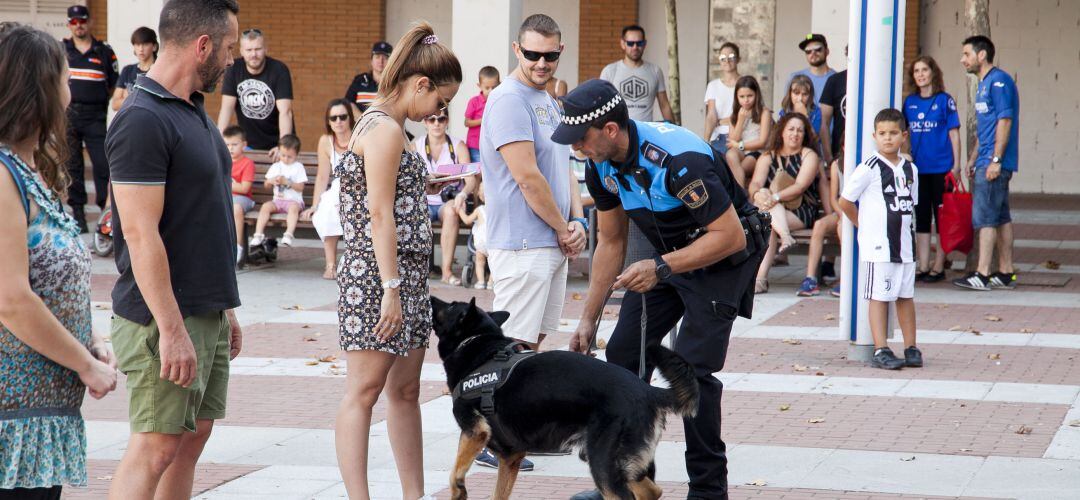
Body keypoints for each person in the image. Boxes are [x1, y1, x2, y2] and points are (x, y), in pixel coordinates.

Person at [558, 79, 768, 500]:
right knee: (621, 355)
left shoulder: (678, 160)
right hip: (669, 256)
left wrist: (661, 267)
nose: (577, 148)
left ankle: (709, 490)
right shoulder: (600, 165)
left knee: (690, 371)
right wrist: (588, 318)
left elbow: (730, 237)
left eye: (581, 138)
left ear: (611, 130)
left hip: (724, 256)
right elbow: (613, 242)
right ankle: (635, 482)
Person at [103, 1, 243, 499]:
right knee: (156, 446)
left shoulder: (192, 110)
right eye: (228, 48)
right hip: (160, 318)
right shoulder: (142, 118)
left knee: (191, 438)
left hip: (202, 308)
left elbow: (203, 217)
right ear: (202, 45)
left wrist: (222, 308)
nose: (233, 59)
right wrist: (171, 329)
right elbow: (141, 235)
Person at [333, 22, 460, 500]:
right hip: (377, 277)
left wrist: (420, 187)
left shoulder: (389, 126)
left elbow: (388, 197)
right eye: (439, 102)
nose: (438, 112)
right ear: (420, 84)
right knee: (364, 392)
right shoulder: (384, 128)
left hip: (401, 273)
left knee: (405, 393)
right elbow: (378, 214)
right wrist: (389, 290)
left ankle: (414, 494)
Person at [0, 22, 118, 500]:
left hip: (40, 418)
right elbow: (11, 298)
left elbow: (49, 283)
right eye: (64, 81)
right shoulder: (3, 175)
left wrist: (86, 339)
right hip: (12, 417)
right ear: (36, 91)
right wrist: (85, 367)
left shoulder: (28, 170)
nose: (71, 95)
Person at [476, 13, 587, 470]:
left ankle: (509, 434)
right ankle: (489, 439)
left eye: (551, 54)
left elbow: (563, 169)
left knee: (534, 342)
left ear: (560, 51)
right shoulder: (507, 102)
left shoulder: (550, 101)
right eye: (534, 54)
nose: (542, 63)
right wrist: (564, 227)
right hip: (524, 242)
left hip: (553, 240)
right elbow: (526, 176)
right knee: (512, 345)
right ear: (517, 51)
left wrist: (579, 221)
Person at [837, 108, 922, 370]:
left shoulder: (910, 168)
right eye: (882, 133)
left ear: (904, 136)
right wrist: (864, 225)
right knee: (880, 296)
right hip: (879, 247)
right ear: (874, 136)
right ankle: (880, 348)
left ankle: (911, 346)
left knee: (905, 296)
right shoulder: (869, 168)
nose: (888, 138)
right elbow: (845, 201)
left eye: (894, 133)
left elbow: (912, 204)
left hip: (905, 246)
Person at [954, 35, 1019, 291]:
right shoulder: (983, 84)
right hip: (984, 160)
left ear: (981, 55)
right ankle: (1005, 272)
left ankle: (981, 274)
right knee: (1001, 217)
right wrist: (972, 158)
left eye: (966, 54)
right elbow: (987, 127)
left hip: (994, 164)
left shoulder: (999, 81)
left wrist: (995, 160)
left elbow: (1005, 121)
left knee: (985, 219)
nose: (962, 59)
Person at [748, 112, 823, 293]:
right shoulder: (768, 156)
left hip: (801, 209)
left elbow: (799, 186)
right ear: (782, 131)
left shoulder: (809, 155)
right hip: (773, 210)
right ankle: (785, 236)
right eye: (791, 129)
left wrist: (773, 198)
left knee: (767, 218)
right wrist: (758, 194)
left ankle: (760, 279)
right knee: (765, 205)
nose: (795, 134)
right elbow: (755, 183)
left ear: (804, 135)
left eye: (800, 130)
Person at [904, 55, 961, 283]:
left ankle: (939, 265)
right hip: (919, 170)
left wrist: (956, 165)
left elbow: (954, 133)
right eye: (916, 71)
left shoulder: (944, 100)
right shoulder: (909, 102)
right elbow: (905, 134)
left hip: (942, 169)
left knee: (942, 217)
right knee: (922, 217)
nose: (920, 74)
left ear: (933, 73)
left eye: (924, 70)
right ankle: (923, 265)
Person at [63, 4, 119, 234]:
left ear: (89, 22)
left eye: (82, 21)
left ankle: (106, 215)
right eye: (74, 22)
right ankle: (78, 215)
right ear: (69, 25)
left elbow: (114, 83)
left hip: (96, 115)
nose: (79, 26)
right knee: (72, 166)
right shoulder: (61, 50)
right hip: (68, 115)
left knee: (103, 165)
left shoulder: (103, 51)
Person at [415, 108, 475, 286]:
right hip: (423, 201)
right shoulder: (416, 145)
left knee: (451, 212)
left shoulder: (458, 145)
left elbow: (471, 179)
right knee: (414, 213)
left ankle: (446, 271)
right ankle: (417, 271)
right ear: (425, 122)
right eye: (431, 119)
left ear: (447, 121)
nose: (436, 124)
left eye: (441, 119)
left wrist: (462, 195)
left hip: (447, 201)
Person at [217, 28, 294, 157]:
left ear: (265, 49)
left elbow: (285, 111)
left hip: (277, 143)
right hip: (248, 146)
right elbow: (226, 109)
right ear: (241, 51)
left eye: (258, 49)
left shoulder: (279, 70)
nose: (253, 54)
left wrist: (283, 145)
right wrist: (218, 142)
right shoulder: (234, 69)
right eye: (249, 50)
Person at [304, 99, 355, 280]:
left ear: (350, 117)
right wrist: (314, 204)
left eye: (343, 116)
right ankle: (331, 265)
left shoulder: (360, 137)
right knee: (327, 211)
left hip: (359, 187)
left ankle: (352, 264)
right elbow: (323, 176)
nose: (338, 121)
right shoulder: (325, 141)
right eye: (334, 118)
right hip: (338, 188)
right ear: (328, 121)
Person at [797, 141, 845, 297]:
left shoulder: (867, 163)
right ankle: (811, 279)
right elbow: (833, 198)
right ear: (842, 146)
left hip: (859, 212)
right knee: (819, 225)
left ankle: (846, 278)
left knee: (842, 227)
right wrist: (841, 214)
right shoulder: (837, 164)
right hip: (842, 210)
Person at [600, 25, 674, 122]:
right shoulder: (609, 71)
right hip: (619, 133)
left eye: (639, 43)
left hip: (646, 132)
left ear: (645, 44)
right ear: (623, 44)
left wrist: (675, 130)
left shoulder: (655, 71)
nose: (635, 47)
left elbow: (664, 105)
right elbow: (600, 105)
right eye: (630, 43)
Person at [249, 134, 306, 248]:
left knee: (293, 209)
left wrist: (288, 182)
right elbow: (266, 185)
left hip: (293, 201)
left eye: (289, 156)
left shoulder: (298, 167)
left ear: (296, 155)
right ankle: (258, 234)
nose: (285, 159)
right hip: (278, 201)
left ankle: (289, 234)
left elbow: (301, 187)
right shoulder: (276, 166)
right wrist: (271, 181)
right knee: (265, 206)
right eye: (283, 155)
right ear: (279, 152)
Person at [724, 75, 772, 188]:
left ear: (756, 94)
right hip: (740, 151)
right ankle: (740, 199)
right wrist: (741, 120)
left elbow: (762, 141)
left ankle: (739, 199)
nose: (746, 100)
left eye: (750, 96)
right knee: (730, 154)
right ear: (737, 97)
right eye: (742, 96)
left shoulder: (764, 113)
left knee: (740, 170)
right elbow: (733, 140)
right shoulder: (735, 115)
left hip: (757, 152)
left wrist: (740, 145)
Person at [223, 126, 255, 265]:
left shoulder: (247, 163)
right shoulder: (222, 162)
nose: (230, 148)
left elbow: (244, 188)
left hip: (243, 200)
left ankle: (237, 247)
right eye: (227, 145)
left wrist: (225, 183)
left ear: (244, 145)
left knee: (236, 208)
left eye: (234, 144)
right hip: (225, 197)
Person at [704, 42, 740, 153]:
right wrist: (705, 142)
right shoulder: (713, 85)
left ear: (738, 59)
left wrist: (724, 121)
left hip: (740, 136)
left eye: (731, 57)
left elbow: (749, 112)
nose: (727, 61)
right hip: (718, 137)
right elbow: (711, 115)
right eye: (723, 58)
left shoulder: (745, 83)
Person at [111, 27, 158, 112]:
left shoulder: (159, 71)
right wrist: (141, 98)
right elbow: (115, 104)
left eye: (145, 44)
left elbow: (157, 104)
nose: (141, 49)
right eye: (137, 44)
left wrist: (128, 97)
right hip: (129, 122)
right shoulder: (127, 70)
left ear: (154, 46)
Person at [457, 181, 491, 289]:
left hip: (481, 243)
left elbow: (467, 220)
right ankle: (491, 282)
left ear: (480, 196)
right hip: (494, 242)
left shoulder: (479, 210)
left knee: (480, 261)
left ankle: (481, 282)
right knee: (494, 263)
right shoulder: (496, 211)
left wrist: (460, 211)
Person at [344, 40, 392, 115]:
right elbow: (348, 102)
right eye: (377, 57)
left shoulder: (396, 82)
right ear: (371, 61)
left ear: (391, 62)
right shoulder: (360, 80)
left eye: (385, 57)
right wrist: (362, 120)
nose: (381, 61)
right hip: (362, 125)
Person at [818, 45, 848, 165]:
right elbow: (824, 122)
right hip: (840, 153)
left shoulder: (877, 80)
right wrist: (829, 157)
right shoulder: (835, 80)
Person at [788, 33, 835, 107]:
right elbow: (787, 108)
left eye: (818, 49)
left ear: (827, 51)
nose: (813, 53)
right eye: (808, 51)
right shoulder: (794, 77)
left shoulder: (837, 79)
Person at [464, 66, 500, 162]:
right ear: (479, 86)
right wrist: (484, 119)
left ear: (499, 84)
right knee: (479, 172)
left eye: (494, 87)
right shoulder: (474, 101)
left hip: (493, 145)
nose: (491, 91)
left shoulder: (500, 102)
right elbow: (467, 122)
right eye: (487, 88)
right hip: (476, 146)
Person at [778, 74, 823, 146]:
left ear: (810, 95)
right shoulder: (784, 111)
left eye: (804, 94)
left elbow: (815, 139)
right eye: (796, 93)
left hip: (809, 149)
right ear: (790, 93)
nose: (800, 98)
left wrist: (805, 116)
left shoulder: (817, 112)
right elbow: (779, 137)